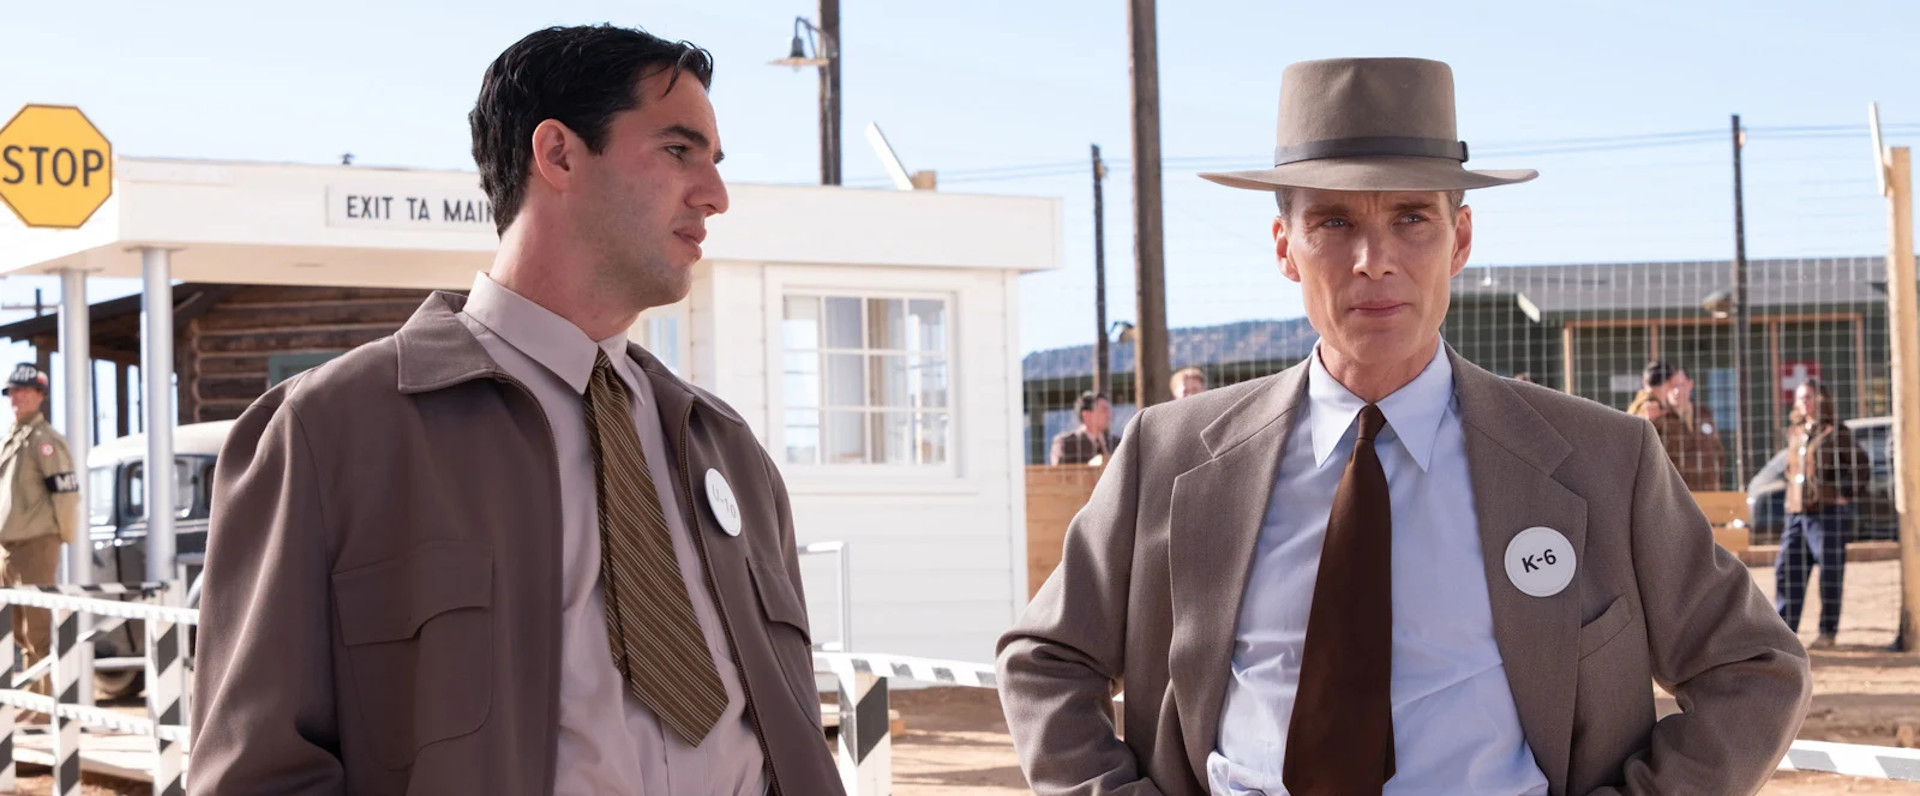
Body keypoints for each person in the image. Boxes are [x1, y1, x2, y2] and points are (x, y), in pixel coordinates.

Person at [997, 58, 1809, 796]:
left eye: (1412, 218)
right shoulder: (1171, 456)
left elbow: (1756, 667)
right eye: (1334, 223)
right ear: (1285, 247)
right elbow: (1045, 660)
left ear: (1460, 239)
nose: (1374, 260)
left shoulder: (1602, 461)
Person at [191, 25, 843, 794]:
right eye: (678, 151)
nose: (715, 195)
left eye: (716, 162)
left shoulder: (728, 451)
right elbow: (256, 774)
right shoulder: (327, 435)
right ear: (558, 154)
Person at [0, 364, 81, 706]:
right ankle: (34, 700)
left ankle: (46, 702)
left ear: (39, 395)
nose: (15, 397)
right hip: (9, 547)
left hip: (35, 544)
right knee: (17, 628)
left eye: (22, 391)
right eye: (11, 391)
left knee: (37, 627)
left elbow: (66, 494)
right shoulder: (12, 437)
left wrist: (61, 535)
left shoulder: (44, 441)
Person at [1776, 377, 1868, 650]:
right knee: (1787, 569)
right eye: (1800, 397)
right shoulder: (1795, 431)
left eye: (1808, 396)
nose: (1803, 402)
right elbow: (1790, 469)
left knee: (1829, 573)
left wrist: (1845, 493)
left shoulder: (1836, 432)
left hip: (1827, 514)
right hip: (1797, 514)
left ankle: (1827, 632)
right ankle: (1784, 633)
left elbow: (1861, 466)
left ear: (1821, 399)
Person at [1634, 360, 1726, 491]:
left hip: (1710, 489)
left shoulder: (1704, 413)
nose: (1676, 391)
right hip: (1677, 493)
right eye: (1672, 386)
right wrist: (1650, 421)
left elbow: (1718, 450)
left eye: (1681, 384)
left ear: (1690, 384)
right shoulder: (1658, 416)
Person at [1049, 391, 1120, 465]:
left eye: (1109, 410)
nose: (1110, 415)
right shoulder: (1066, 444)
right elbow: (1062, 471)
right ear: (1087, 415)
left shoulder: (1117, 443)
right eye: (1104, 410)